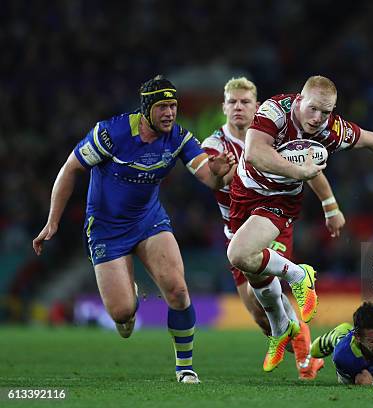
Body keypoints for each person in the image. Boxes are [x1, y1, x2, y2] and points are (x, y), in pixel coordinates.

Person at [32, 75, 234, 384]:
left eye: (174, 106)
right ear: (147, 108)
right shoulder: (111, 134)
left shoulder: (178, 137)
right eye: (163, 106)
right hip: (106, 229)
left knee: (178, 290)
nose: (170, 113)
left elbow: (208, 176)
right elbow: (70, 168)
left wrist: (220, 174)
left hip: (148, 220)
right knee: (123, 314)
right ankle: (130, 300)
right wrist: (52, 220)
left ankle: (185, 368)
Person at [226, 75, 373, 372]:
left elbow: (368, 138)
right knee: (251, 267)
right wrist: (299, 171)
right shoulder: (275, 112)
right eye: (314, 109)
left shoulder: (331, 129)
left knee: (238, 254)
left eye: (327, 111)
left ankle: (297, 275)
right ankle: (281, 328)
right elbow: (255, 152)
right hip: (243, 194)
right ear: (299, 100)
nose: (319, 118)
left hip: (278, 203)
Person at [200, 77, 343, 379]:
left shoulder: (275, 136)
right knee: (259, 314)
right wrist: (217, 175)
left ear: (256, 106)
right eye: (233, 102)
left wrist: (330, 205)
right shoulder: (214, 145)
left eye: (245, 102)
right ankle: (311, 350)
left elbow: (308, 168)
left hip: (270, 218)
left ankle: (306, 357)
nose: (239, 107)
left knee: (266, 295)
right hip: (235, 227)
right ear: (223, 106)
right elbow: (211, 179)